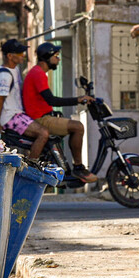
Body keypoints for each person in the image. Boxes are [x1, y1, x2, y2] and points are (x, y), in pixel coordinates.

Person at [21, 42, 98, 183]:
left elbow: (44, 101)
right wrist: (79, 99)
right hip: (40, 120)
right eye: (56, 56)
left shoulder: (37, 72)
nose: (58, 59)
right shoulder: (38, 74)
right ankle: (79, 167)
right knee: (78, 127)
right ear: (47, 57)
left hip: (42, 116)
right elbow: (51, 100)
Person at [0, 39, 52, 165]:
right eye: (19, 54)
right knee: (43, 133)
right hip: (10, 117)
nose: (23, 56)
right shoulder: (3, 75)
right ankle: (32, 167)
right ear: (9, 56)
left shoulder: (16, 70)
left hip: (19, 114)